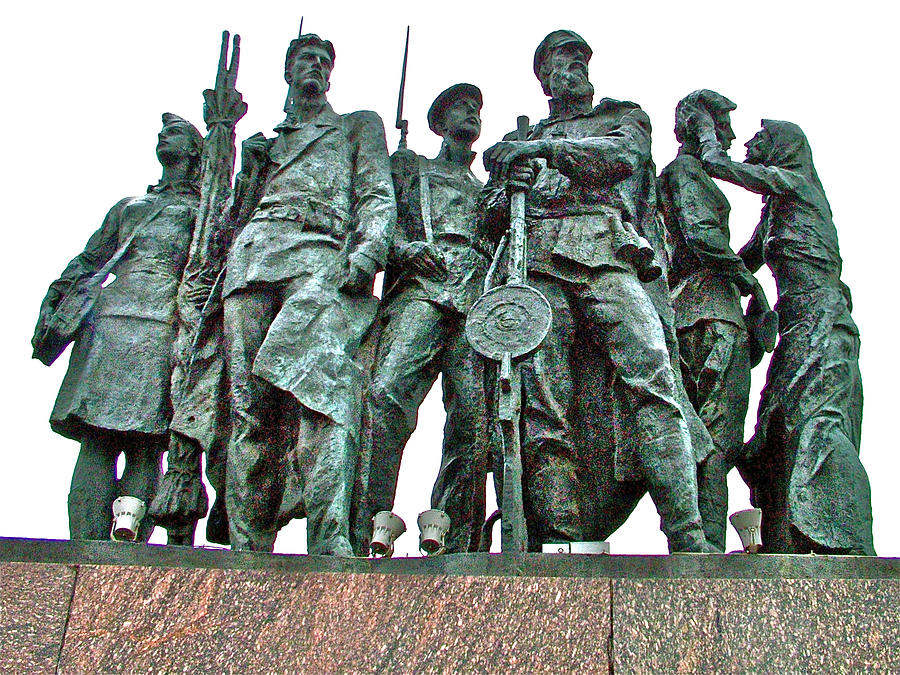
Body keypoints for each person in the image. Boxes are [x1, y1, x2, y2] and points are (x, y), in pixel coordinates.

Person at [480, 30, 713, 552]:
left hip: (603, 249)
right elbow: (489, 217)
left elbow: (621, 157)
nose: (572, 68)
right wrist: (508, 189)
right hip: (535, 261)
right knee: (541, 405)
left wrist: (540, 150)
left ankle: (687, 532)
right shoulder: (522, 139)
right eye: (561, 62)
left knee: (652, 379)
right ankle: (560, 541)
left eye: (579, 59)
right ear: (543, 77)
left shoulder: (620, 115)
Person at [221, 33, 395, 554]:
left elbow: (377, 193)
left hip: (321, 257)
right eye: (305, 60)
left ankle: (328, 540)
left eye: (323, 61)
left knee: (321, 396)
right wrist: (244, 166)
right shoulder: (266, 143)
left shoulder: (354, 126)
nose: (315, 67)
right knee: (249, 408)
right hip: (252, 262)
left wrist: (367, 254)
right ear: (288, 72)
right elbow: (230, 221)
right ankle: (247, 548)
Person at [700, 119, 875, 555]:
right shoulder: (776, 209)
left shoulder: (796, 186)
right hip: (797, 326)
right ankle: (784, 538)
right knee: (774, 432)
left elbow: (719, 164)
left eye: (760, 137)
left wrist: (705, 130)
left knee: (817, 426)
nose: (749, 142)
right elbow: (743, 260)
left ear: (782, 147)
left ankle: (841, 539)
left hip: (822, 319)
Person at [32, 113, 203, 541]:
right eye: (163, 132)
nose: (164, 136)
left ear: (197, 151)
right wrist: (54, 302)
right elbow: (90, 260)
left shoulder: (207, 208)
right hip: (108, 322)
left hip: (165, 323)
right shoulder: (130, 207)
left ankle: (128, 549)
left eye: (176, 132)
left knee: (147, 446)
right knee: (97, 441)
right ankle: (85, 549)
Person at [362, 84, 493, 553]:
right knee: (385, 397)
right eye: (461, 107)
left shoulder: (487, 190)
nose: (472, 114)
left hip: (475, 298)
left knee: (473, 420)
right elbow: (377, 220)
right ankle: (365, 525)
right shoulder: (411, 166)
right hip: (421, 289)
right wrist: (403, 249)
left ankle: (454, 534)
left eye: (477, 109)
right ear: (438, 123)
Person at [657, 89, 774, 550]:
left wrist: (756, 250)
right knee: (716, 437)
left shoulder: (684, 174)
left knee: (702, 436)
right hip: (711, 315)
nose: (729, 134)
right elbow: (702, 237)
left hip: (694, 310)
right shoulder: (686, 171)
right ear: (701, 126)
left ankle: (702, 541)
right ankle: (706, 548)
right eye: (721, 124)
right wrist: (753, 286)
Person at [150, 32, 247, 547]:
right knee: (184, 418)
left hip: (228, 293)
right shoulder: (149, 207)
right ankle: (176, 533)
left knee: (233, 418)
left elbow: (218, 200)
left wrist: (221, 131)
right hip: (191, 301)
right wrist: (220, 129)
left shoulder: (222, 198)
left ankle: (236, 523)